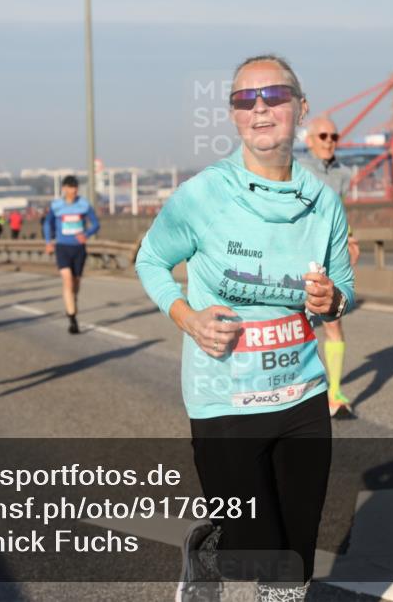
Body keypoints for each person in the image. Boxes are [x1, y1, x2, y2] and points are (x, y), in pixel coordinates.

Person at [136, 54, 353, 601]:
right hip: (226, 400)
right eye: (244, 99)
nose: (260, 108)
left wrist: (331, 300)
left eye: (274, 96)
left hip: (303, 394)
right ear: (233, 116)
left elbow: (341, 291)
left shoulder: (323, 203)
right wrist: (187, 318)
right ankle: (207, 552)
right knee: (253, 545)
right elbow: (150, 260)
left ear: (300, 108)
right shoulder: (204, 195)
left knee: (292, 561)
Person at [298, 116, 361, 418]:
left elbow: (341, 213)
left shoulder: (344, 174)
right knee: (299, 326)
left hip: (330, 255)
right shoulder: (295, 168)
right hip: (298, 255)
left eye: (334, 136)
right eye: (323, 136)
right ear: (309, 140)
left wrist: (349, 238)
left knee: (333, 320)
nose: (329, 141)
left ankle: (333, 393)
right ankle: (299, 393)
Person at [44, 175, 100, 334]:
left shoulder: (84, 205)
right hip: (62, 247)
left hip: (79, 248)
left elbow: (96, 224)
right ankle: (72, 319)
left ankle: (72, 301)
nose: (73, 190)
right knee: (67, 280)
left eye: (75, 187)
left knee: (75, 283)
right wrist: (48, 241)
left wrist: (87, 234)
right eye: (70, 187)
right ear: (64, 189)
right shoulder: (56, 206)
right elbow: (48, 223)